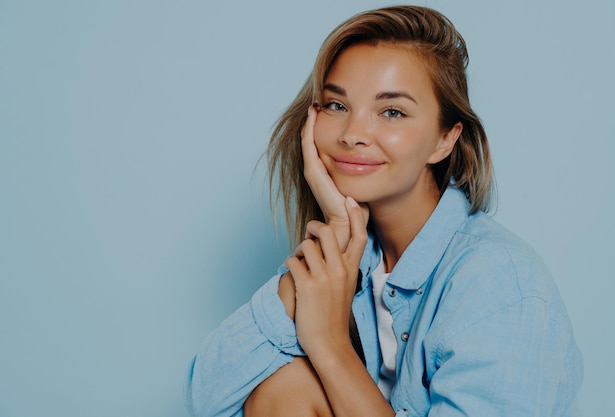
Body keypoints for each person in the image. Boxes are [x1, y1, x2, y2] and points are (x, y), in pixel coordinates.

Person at [184, 5, 583, 417]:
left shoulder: (500, 286)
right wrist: (326, 250)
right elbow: (207, 400)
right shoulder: (356, 257)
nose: (352, 134)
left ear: (444, 140)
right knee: (286, 388)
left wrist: (331, 346)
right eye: (337, 106)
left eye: (391, 112)